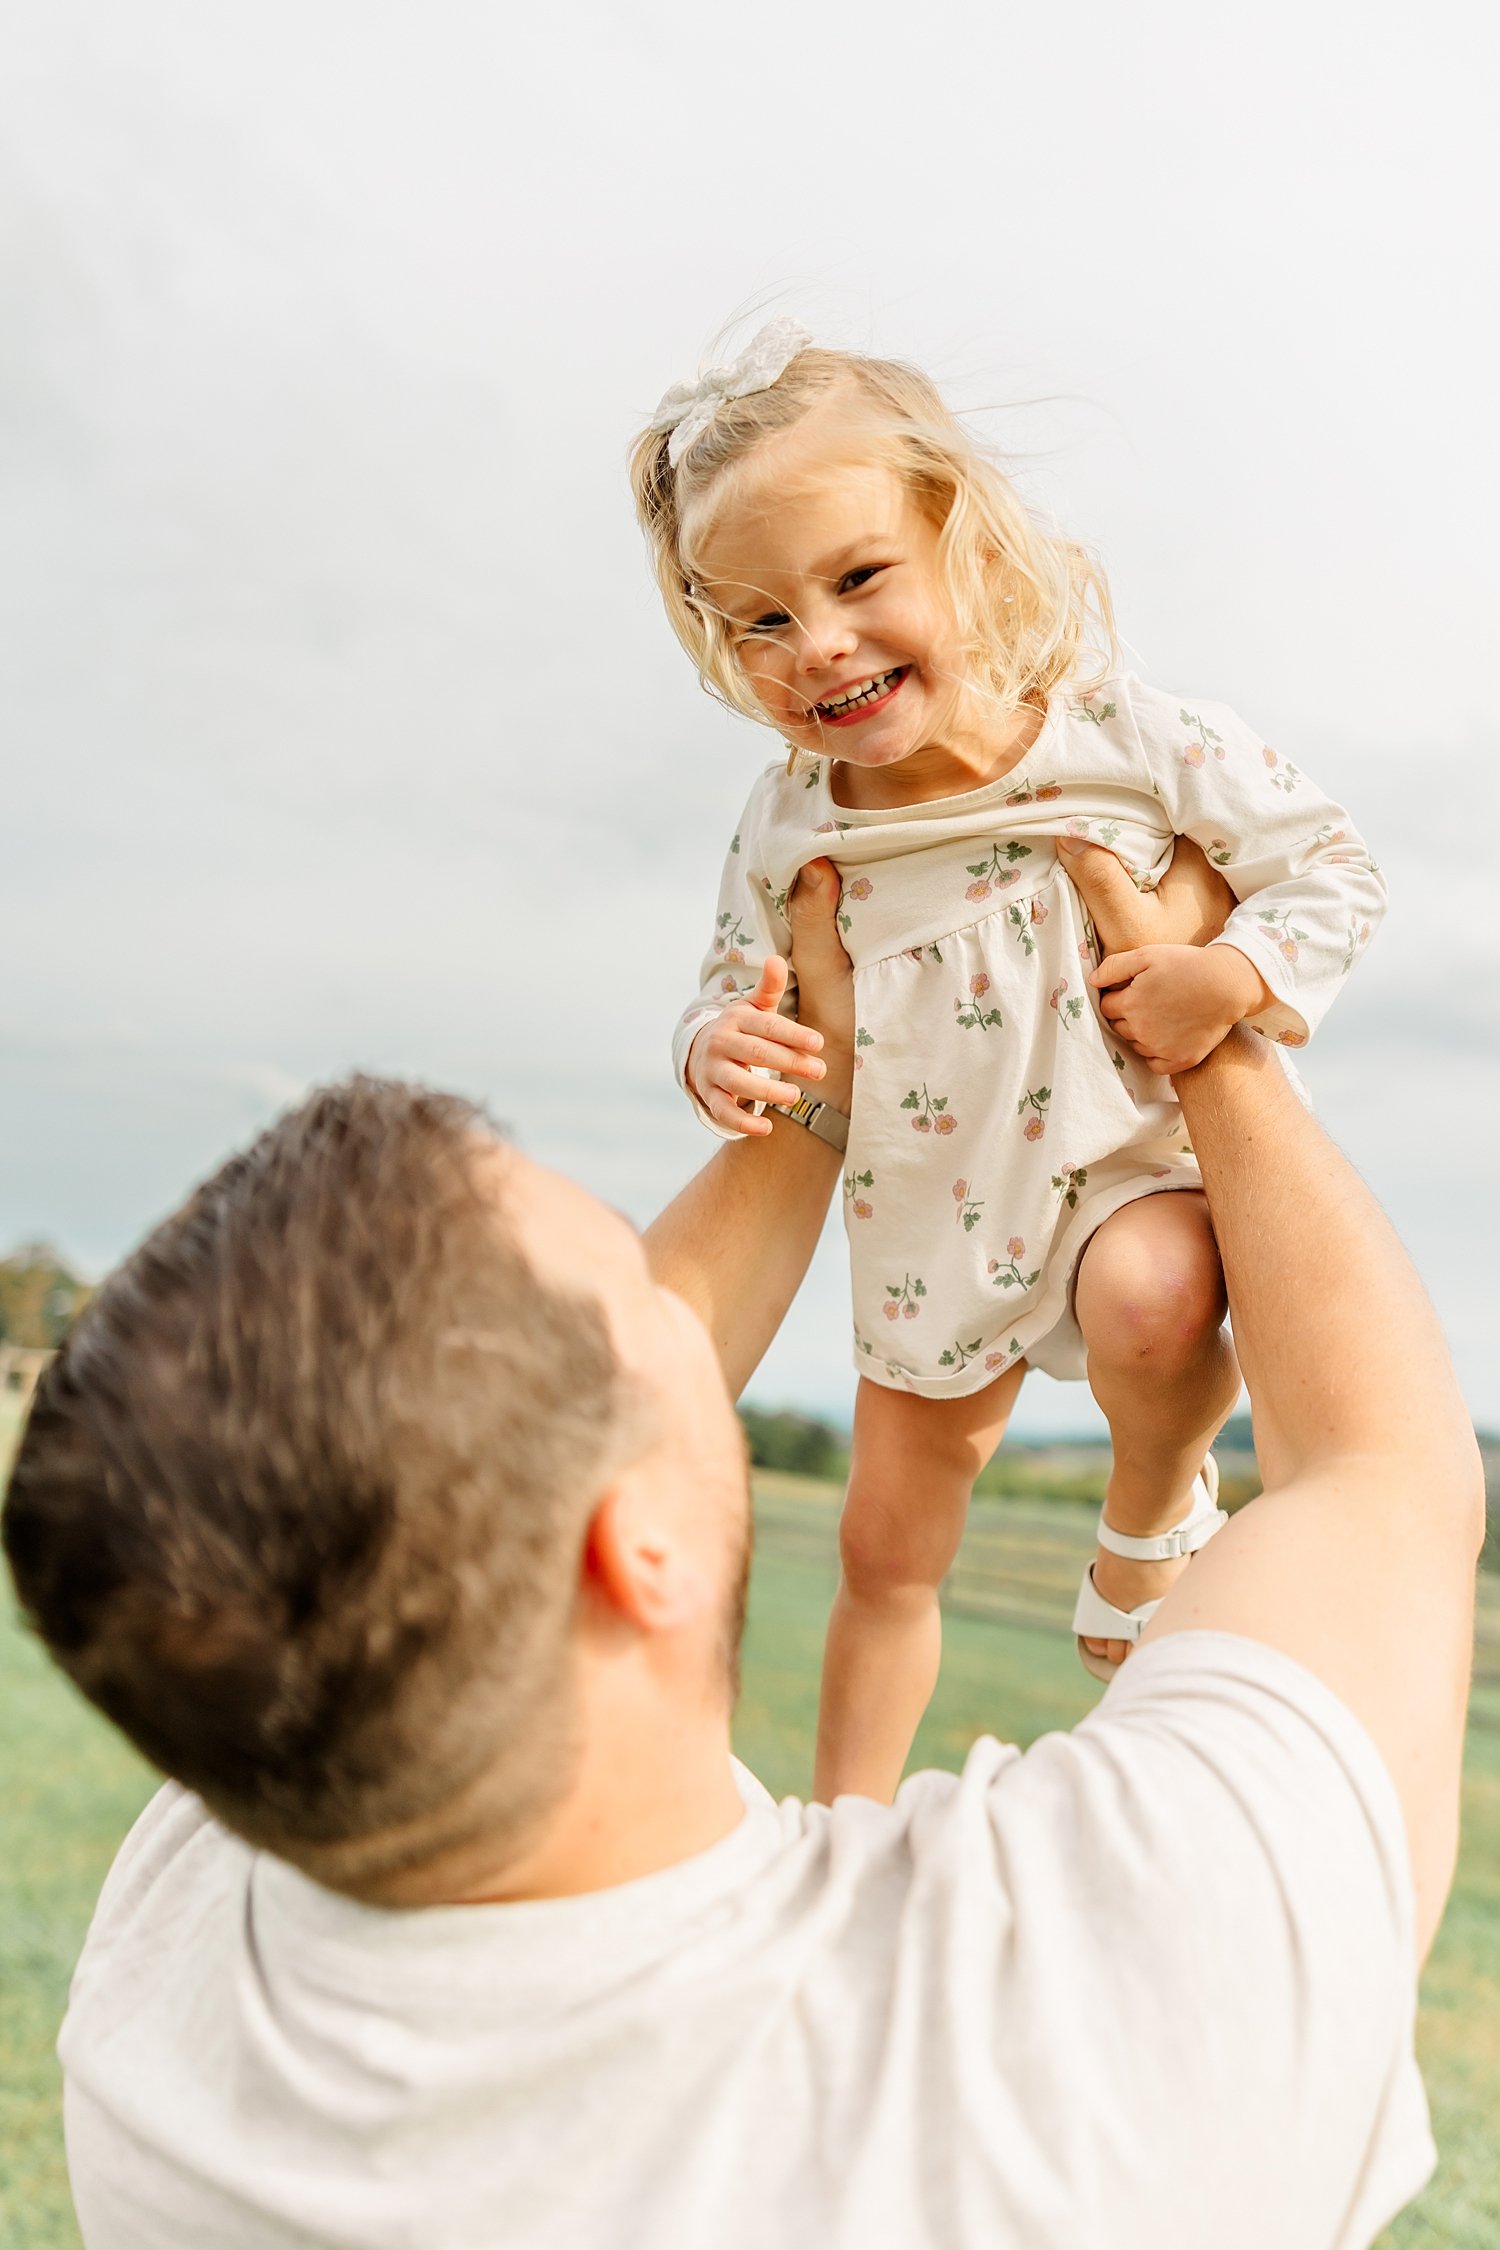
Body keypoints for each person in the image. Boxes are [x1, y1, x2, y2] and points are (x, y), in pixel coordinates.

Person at [1, 840, 1481, 2250]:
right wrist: (1205, 1028)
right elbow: (1384, 1483)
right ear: (629, 1548)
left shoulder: (182, 1936)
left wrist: (821, 1100)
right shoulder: (1055, 2046)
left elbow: (498, 1441)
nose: (679, 1306)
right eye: (640, 1307)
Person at [632, 319, 1389, 1800]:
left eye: (857, 578)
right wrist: (717, 1046)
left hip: (1126, 1163)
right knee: (884, 1543)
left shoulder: (1126, 738)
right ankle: (846, 1815)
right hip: (931, 1212)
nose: (821, 644)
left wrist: (1227, 974)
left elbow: (1334, 868)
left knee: (1158, 1297)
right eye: (764, 623)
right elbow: (738, 984)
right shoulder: (795, 821)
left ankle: (1153, 1501)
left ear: (962, 540)